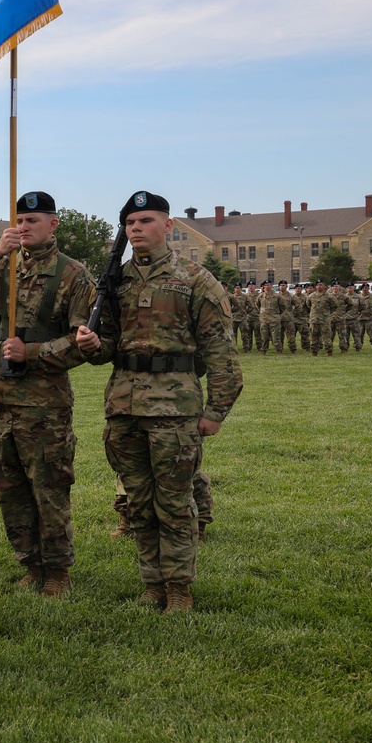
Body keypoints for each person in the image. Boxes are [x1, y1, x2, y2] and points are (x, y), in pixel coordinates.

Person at [76, 191, 242, 613]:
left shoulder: (195, 279)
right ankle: (152, 584)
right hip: (125, 407)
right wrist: (92, 344)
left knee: (175, 504)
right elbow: (106, 348)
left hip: (175, 410)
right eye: (131, 223)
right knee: (139, 504)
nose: (137, 228)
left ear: (168, 226)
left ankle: (179, 588)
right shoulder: (115, 280)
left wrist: (216, 412)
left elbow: (221, 351)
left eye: (146, 220)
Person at [0, 191, 95, 597]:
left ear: (53, 224)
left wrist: (32, 352)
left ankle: (57, 571)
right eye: (19, 220)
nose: (24, 227)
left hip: (44, 404)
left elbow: (83, 342)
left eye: (33, 220)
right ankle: (30, 563)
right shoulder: (1, 266)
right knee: (10, 490)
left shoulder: (72, 275)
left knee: (49, 489)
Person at [308, 279, 337, 356]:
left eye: (321, 285)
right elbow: (308, 306)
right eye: (317, 285)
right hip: (314, 320)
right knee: (313, 337)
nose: (319, 286)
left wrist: (327, 313)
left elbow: (334, 306)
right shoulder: (311, 296)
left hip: (324, 320)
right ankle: (314, 352)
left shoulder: (329, 296)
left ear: (324, 286)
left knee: (327, 337)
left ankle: (329, 352)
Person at [258, 280, 284, 355]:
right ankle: (263, 351)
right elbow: (258, 306)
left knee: (276, 337)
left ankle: (278, 351)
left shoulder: (277, 296)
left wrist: (276, 315)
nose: (266, 286)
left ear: (271, 285)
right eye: (265, 285)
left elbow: (283, 307)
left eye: (268, 285)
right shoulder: (261, 296)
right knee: (264, 337)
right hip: (264, 320)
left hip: (274, 320)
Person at [277, 281, 297, 353]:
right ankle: (279, 350)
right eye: (281, 285)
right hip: (279, 319)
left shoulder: (291, 296)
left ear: (286, 286)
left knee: (291, 335)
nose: (282, 287)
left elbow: (298, 306)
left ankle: (293, 349)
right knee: (279, 336)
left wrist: (293, 313)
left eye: (284, 285)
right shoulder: (276, 296)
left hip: (288, 319)